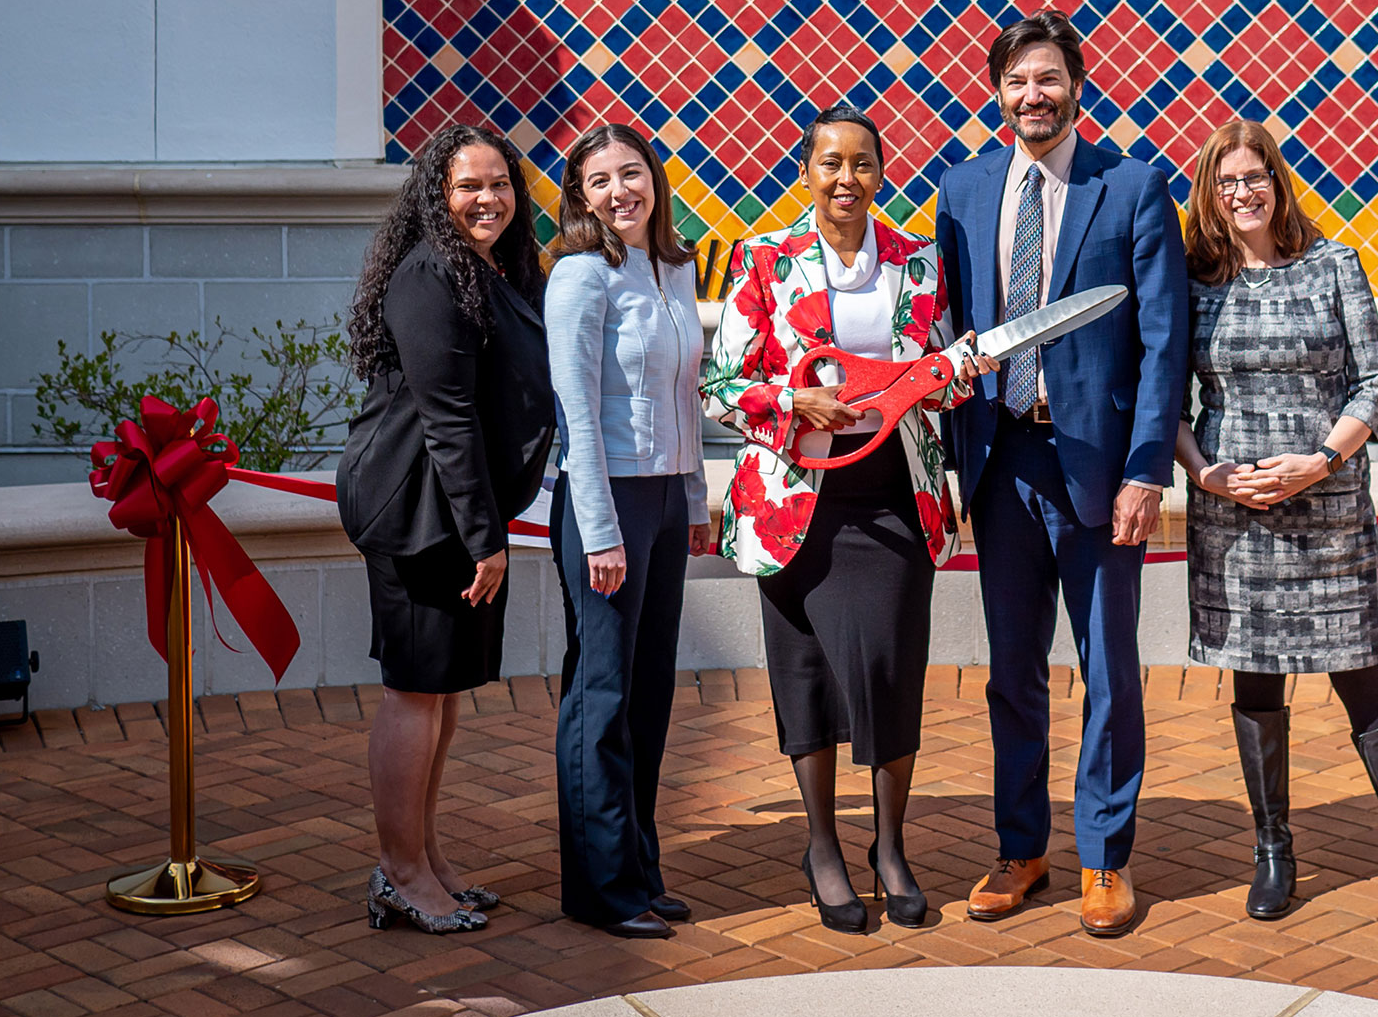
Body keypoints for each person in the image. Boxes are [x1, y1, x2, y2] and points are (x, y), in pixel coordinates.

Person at [1173, 119, 1378, 936]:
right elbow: (1167, 404)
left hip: (1329, 507)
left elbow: (1371, 385)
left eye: (1256, 175)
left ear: (1278, 182)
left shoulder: (1333, 265)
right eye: (1226, 180)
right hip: (1234, 513)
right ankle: (1274, 852)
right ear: (1210, 193)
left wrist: (1320, 460)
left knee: (1363, 683)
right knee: (1256, 683)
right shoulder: (1195, 282)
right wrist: (1205, 471)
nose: (1243, 192)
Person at [934, 11, 1191, 939]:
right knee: (1011, 672)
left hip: (1097, 468)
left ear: (1075, 84)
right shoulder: (961, 191)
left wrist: (1146, 472)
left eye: (1047, 79)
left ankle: (1105, 859)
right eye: (1015, 82)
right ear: (996, 93)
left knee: (1108, 669)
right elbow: (952, 327)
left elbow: (1166, 342)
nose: (1032, 96)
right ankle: (1022, 848)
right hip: (1002, 464)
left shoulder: (1132, 186)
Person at [702, 106, 988, 933]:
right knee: (808, 675)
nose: (845, 180)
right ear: (805, 172)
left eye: (862, 164)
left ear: (881, 173)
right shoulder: (763, 260)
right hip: (795, 503)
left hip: (893, 495)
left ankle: (890, 847)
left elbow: (949, 374)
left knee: (892, 670)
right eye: (830, 163)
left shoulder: (918, 263)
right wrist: (794, 402)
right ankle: (822, 847)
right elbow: (724, 386)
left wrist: (945, 378)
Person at [337, 122, 556, 936]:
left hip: (457, 509)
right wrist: (484, 536)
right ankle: (397, 873)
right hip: (417, 510)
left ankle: (425, 858)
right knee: (413, 689)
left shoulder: (493, 270)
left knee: (442, 691)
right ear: (438, 193)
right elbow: (448, 417)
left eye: (499, 184)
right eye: (469, 186)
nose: (487, 199)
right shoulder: (429, 275)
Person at [543, 122, 712, 939]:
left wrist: (698, 501)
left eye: (632, 173)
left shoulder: (671, 269)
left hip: (666, 505)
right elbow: (577, 415)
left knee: (649, 693)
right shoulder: (580, 277)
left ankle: (639, 865)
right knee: (601, 696)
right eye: (600, 180)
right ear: (580, 195)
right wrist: (602, 532)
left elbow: (683, 401)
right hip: (603, 506)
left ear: (656, 180)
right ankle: (600, 884)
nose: (620, 192)